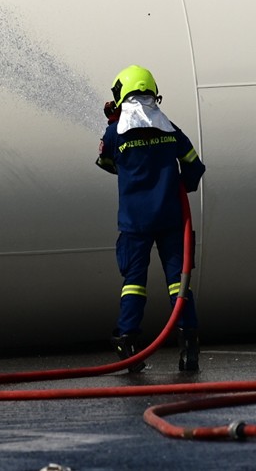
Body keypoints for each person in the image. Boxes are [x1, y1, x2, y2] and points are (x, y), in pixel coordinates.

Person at [95, 65, 205, 372]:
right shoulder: (170, 130)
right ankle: (189, 346)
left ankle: (128, 343)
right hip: (172, 219)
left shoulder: (114, 135)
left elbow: (105, 161)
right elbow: (195, 167)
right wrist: (177, 186)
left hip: (134, 223)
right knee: (178, 283)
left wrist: (114, 126)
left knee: (134, 283)